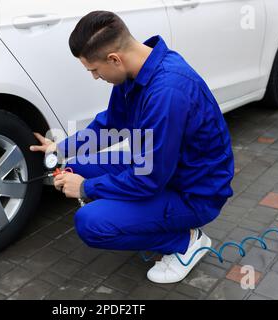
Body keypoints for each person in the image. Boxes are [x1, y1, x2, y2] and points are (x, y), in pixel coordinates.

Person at [30, 11, 234, 284]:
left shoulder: (167, 91)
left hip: (193, 192)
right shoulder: (136, 71)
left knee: (90, 223)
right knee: (74, 167)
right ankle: (146, 218)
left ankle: (185, 242)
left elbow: (148, 179)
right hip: (162, 168)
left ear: (114, 59)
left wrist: (85, 188)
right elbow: (110, 125)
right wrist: (61, 148)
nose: (94, 76)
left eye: (93, 69)